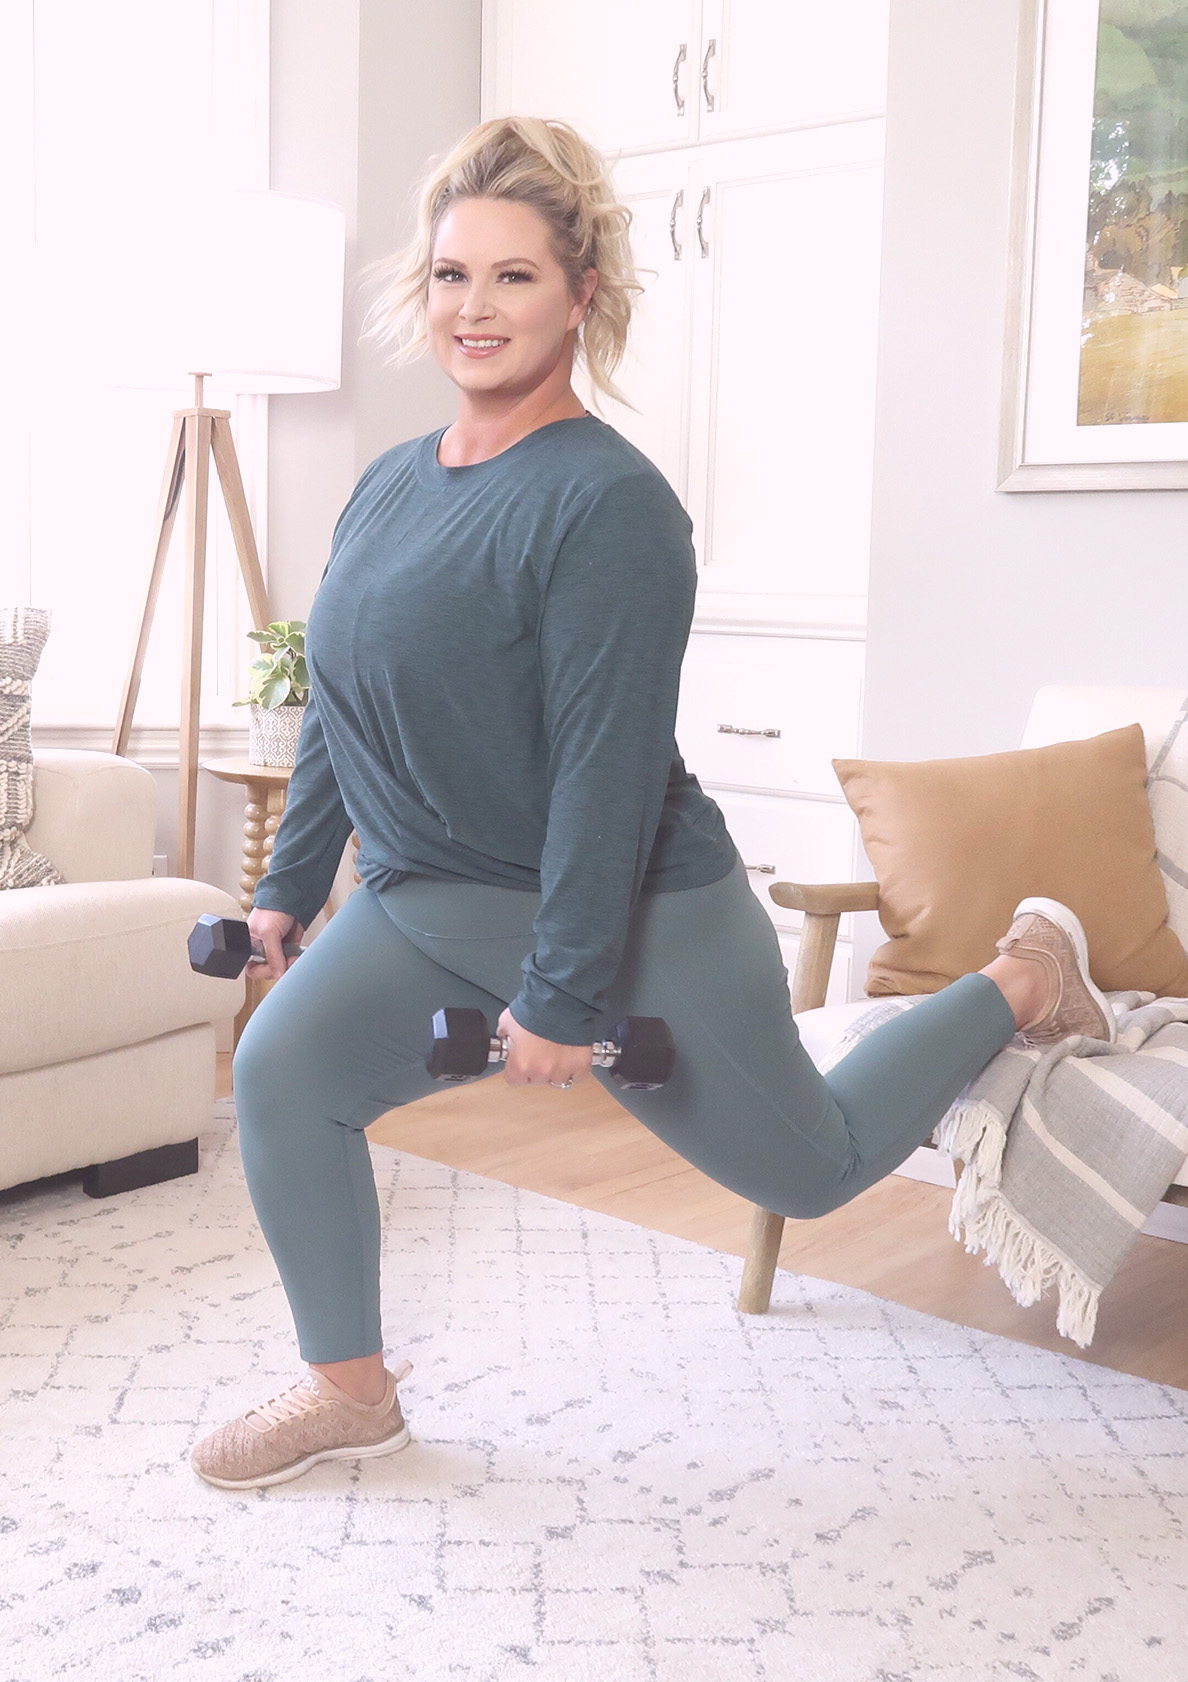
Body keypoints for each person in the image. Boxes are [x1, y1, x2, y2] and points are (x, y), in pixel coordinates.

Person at [189, 117, 1116, 1491]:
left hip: (634, 914)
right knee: (284, 1071)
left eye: (513, 276)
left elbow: (604, 772)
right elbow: (341, 695)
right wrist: (286, 885)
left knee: (810, 1167)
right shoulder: (388, 485)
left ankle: (1025, 977)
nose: (475, 307)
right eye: (451, 275)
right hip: (423, 894)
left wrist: (565, 996)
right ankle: (350, 1391)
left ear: (580, 297)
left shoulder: (610, 505)